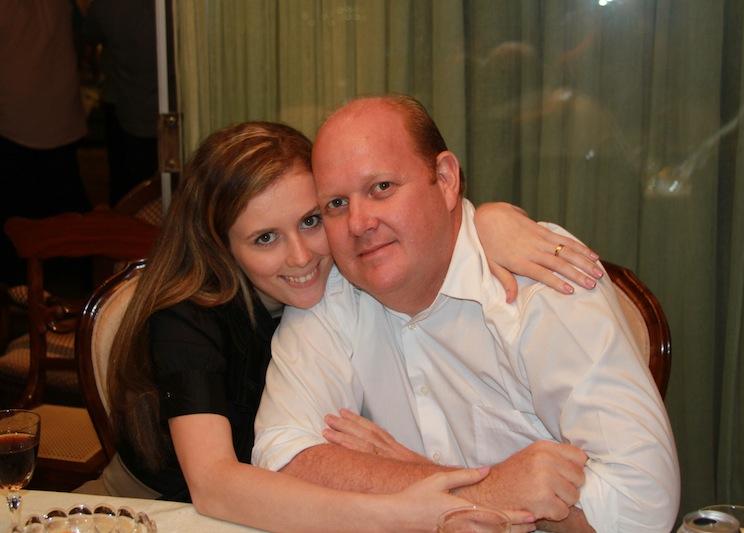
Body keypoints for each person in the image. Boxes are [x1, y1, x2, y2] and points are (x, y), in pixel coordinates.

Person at [101, 120, 600, 531]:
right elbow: (214, 486)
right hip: (154, 510)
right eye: (265, 238)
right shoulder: (187, 321)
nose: (301, 257)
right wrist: (404, 513)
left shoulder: (347, 273)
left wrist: (489, 221)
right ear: (220, 245)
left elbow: (435, 231)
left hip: (284, 509)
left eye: (312, 220)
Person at [252, 96, 681, 532]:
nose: (359, 223)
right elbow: (280, 457)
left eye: (381, 188)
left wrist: (411, 479)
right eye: (336, 205)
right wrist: (484, 491)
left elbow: (641, 509)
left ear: (445, 179)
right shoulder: (330, 294)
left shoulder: (540, 282)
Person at [0, 0, 91, 285]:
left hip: (16, 123)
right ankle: (66, 287)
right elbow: (82, 34)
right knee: (65, 219)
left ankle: (26, 290)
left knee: (20, 227)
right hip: (56, 119)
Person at [82, 0, 158, 205]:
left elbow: (88, 34)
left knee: (126, 186)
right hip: (138, 108)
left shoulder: (108, 6)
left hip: (128, 109)